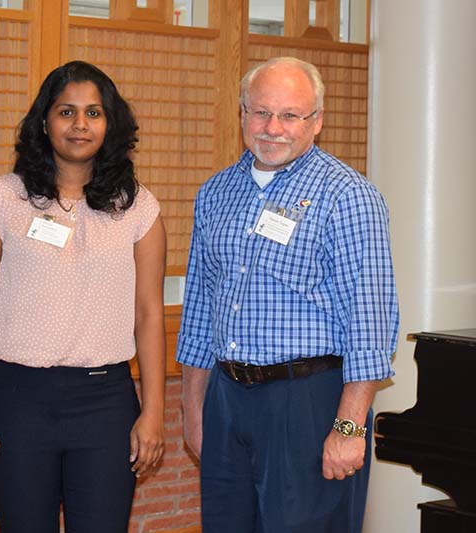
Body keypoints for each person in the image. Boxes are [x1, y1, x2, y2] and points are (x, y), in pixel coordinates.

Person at [176, 56, 399, 533]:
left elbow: (370, 321)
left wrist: (348, 428)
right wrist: (194, 410)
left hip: (308, 402)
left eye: (290, 115)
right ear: (241, 115)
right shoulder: (215, 193)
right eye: (260, 112)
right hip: (227, 399)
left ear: (316, 121)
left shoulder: (348, 196)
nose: (272, 128)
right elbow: (198, 309)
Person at [0, 60, 166, 533]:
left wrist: (153, 411)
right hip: (15, 400)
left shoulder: (139, 208)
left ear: (111, 124)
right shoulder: (1, 200)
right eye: (66, 112)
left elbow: (150, 316)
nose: (80, 124)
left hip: (105, 403)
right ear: (44, 122)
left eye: (94, 112)